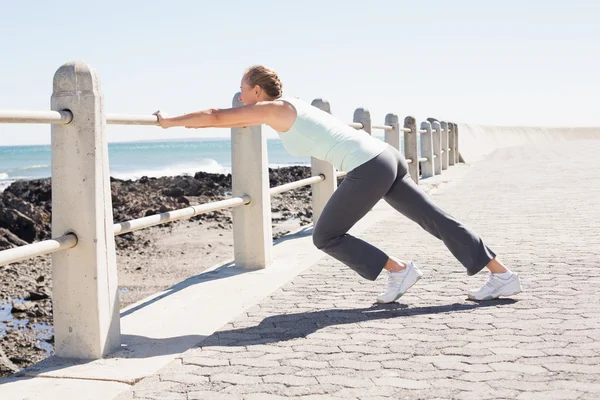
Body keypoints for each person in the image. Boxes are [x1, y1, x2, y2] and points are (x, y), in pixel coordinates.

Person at [153, 65, 522, 303]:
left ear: (256, 92)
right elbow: (230, 120)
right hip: (384, 156)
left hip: (369, 166)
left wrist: (169, 122)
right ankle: (502, 275)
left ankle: (398, 270)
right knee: (434, 218)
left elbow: (218, 116)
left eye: (242, 89)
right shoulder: (286, 107)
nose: (240, 95)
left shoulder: (274, 108)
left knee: (325, 235)